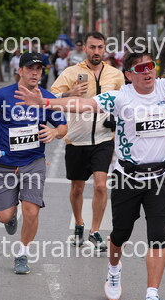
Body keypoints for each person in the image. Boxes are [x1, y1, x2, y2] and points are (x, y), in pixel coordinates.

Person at [15, 27, 165, 300]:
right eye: (140, 68)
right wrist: (45, 102)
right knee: (120, 234)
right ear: (129, 74)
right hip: (127, 178)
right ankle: (114, 269)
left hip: (160, 177)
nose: (148, 72)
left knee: (158, 235)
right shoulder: (120, 97)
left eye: (151, 66)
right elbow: (83, 105)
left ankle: (151, 297)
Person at [0, 52, 67, 274]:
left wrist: (55, 132)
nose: (35, 73)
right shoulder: (2, 96)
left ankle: (22, 252)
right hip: (4, 163)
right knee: (4, 215)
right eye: (30, 68)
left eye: (39, 69)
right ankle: (9, 214)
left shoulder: (46, 98)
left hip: (33, 161)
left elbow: (63, 127)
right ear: (20, 71)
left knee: (32, 211)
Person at [51, 32, 125, 250]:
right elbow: (52, 98)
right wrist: (70, 93)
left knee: (101, 186)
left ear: (105, 48)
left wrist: (118, 125)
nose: (96, 51)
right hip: (76, 140)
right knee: (77, 189)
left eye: (100, 47)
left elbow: (124, 102)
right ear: (84, 48)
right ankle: (79, 224)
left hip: (103, 139)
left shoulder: (115, 75)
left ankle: (95, 231)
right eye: (92, 47)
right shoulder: (70, 72)